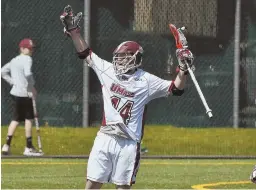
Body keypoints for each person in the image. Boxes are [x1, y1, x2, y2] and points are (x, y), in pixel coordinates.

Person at [60, 5, 194, 189]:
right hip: (105, 137)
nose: (120, 60)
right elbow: (85, 53)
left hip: (128, 143)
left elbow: (176, 89)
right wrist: (74, 32)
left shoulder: (145, 80)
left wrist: (183, 70)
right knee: (91, 185)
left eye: (125, 57)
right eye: (119, 57)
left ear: (136, 58)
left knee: (123, 187)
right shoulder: (107, 70)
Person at [1, 38, 40, 156]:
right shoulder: (27, 59)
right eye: (29, 48)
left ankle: (6, 146)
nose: (31, 50)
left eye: (32, 48)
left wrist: (13, 82)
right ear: (22, 49)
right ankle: (28, 148)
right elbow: (28, 73)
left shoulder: (14, 60)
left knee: (16, 119)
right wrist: (32, 87)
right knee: (29, 119)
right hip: (25, 93)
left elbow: (2, 71)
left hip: (15, 93)